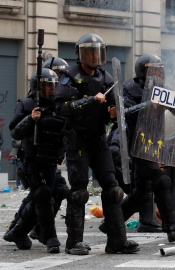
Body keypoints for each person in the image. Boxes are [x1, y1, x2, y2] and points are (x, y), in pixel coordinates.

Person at [54, 33, 139, 255]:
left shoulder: (106, 78)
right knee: (79, 191)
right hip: (77, 138)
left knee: (112, 190)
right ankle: (73, 242)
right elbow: (61, 107)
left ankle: (117, 241)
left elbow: (113, 110)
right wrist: (90, 101)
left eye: (96, 51)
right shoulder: (69, 76)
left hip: (98, 138)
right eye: (89, 51)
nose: (93, 56)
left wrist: (112, 113)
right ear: (80, 54)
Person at [101, 54, 175, 242]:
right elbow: (124, 114)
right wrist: (149, 105)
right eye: (155, 70)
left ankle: (110, 223)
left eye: (160, 70)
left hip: (154, 144)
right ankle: (171, 226)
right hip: (137, 145)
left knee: (140, 194)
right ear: (144, 71)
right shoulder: (128, 88)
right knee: (161, 180)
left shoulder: (162, 89)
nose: (159, 73)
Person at [3, 68, 64, 253]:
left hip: (51, 159)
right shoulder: (26, 104)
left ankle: (20, 231)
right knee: (42, 195)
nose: (52, 90)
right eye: (47, 86)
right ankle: (50, 237)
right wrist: (31, 118)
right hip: (32, 160)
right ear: (38, 87)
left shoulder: (58, 105)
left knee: (57, 192)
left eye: (54, 86)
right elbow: (15, 131)